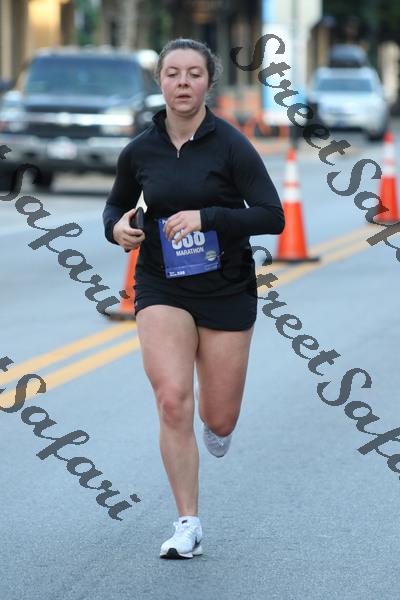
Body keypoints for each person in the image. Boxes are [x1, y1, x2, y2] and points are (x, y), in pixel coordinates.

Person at [103, 38, 284, 560]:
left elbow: (272, 216)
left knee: (219, 419)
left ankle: (216, 424)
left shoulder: (231, 145)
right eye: (173, 74)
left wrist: (208, 218)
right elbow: (115, 206)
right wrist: (116, 229)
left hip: (225, 287)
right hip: (162, 285)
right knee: (172, 399)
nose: (183, 83)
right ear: (159, 81)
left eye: (194, 74)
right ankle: (188, 524)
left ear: (209, 82)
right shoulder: (139, 150)